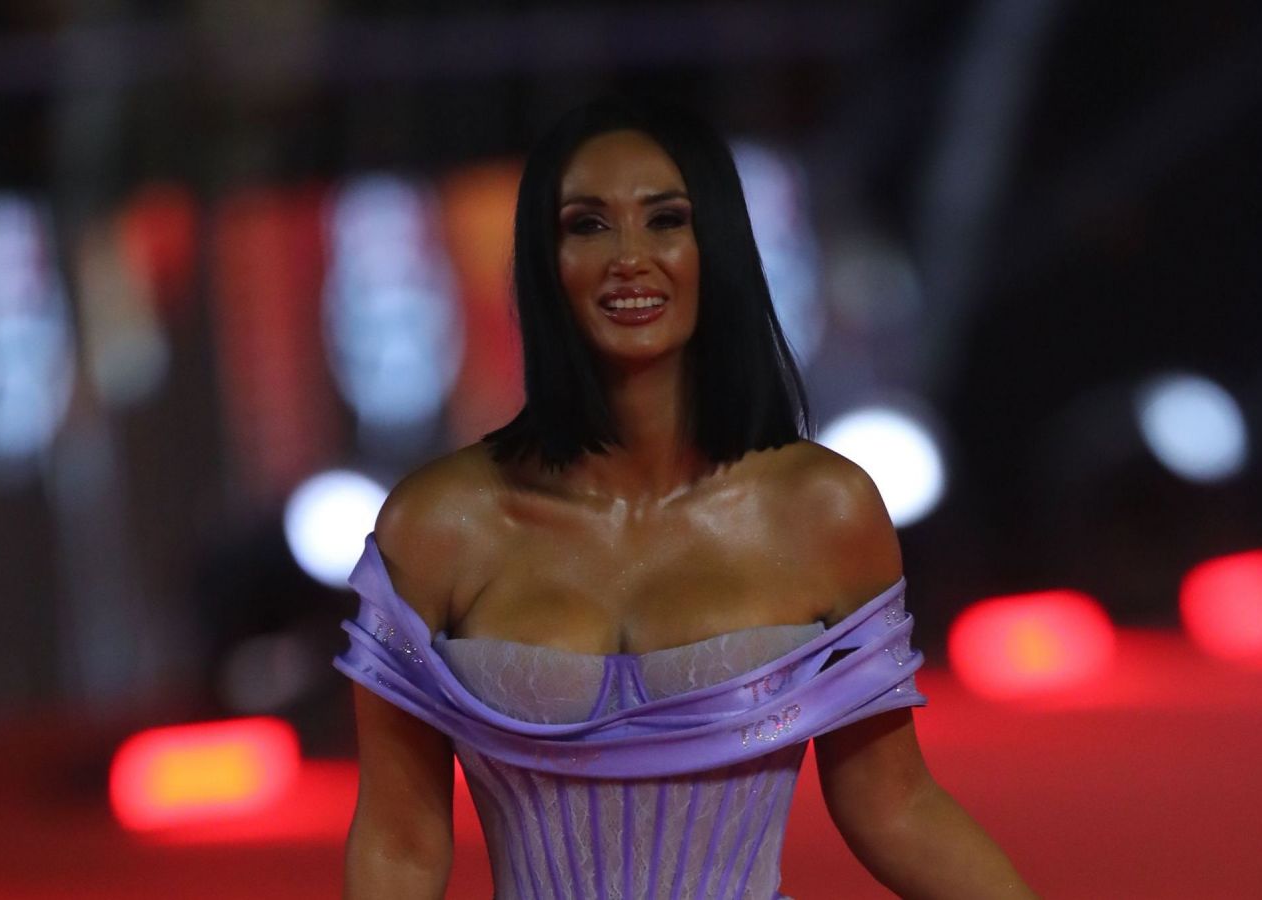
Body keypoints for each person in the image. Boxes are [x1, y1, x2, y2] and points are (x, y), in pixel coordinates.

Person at [334, 94, 1039, 899]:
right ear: (541, 261)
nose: (629, 257)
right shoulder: (437, 525)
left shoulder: (823, 510)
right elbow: (401, 841)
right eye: (588, 225)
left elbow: (896, 806)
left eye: (666, 220)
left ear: (719, 247)